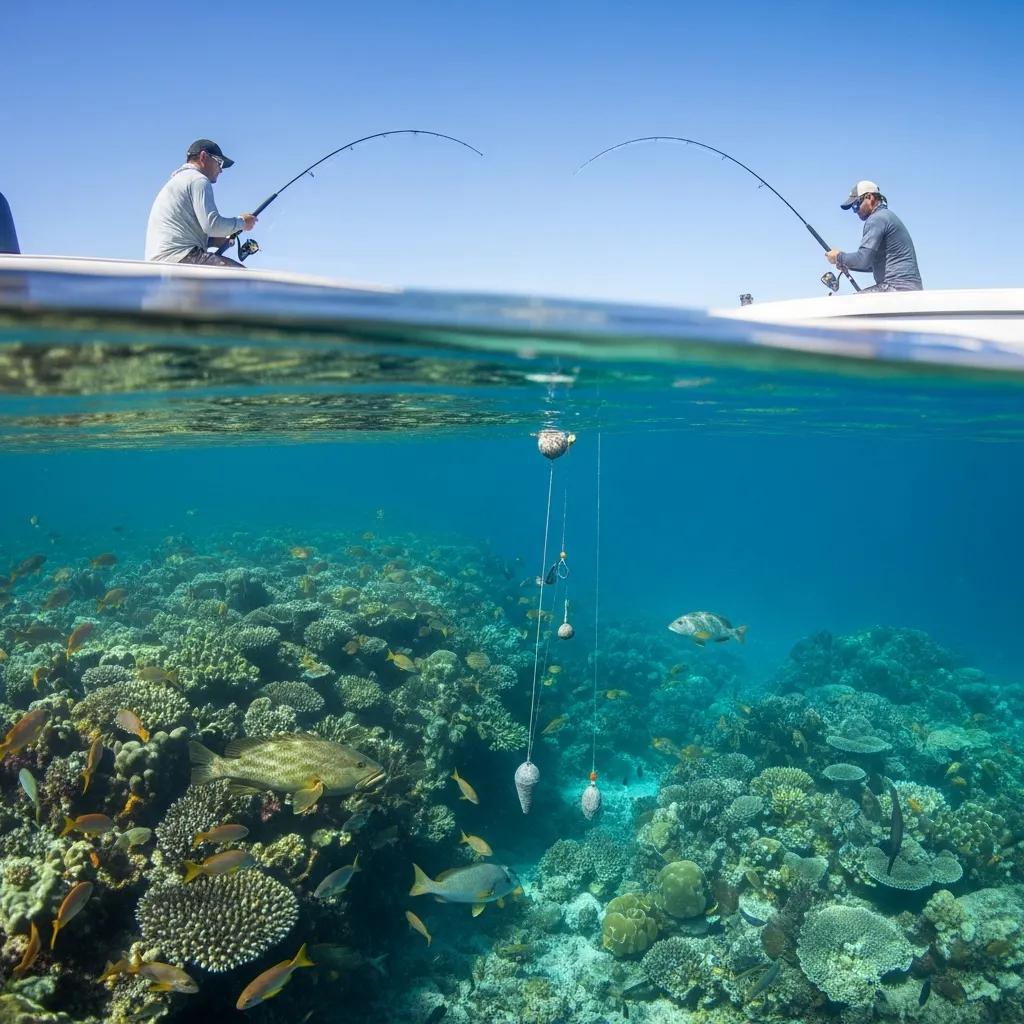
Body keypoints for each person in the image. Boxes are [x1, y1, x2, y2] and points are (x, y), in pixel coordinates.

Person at [145, 140, 257, 267]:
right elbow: (212, 226)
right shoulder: (198, 180)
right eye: (219, 163)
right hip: (180, 258)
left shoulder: (179, 181)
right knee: (244, 279)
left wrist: (214, 241)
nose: (221, 170)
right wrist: (242, 222)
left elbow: (181, 234)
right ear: (203, 156)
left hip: (161, 262)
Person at [825, 180, 922, 292]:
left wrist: (838, 257)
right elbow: (871, 265)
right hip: (910, 288)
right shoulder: (887, 216)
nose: (855, 211)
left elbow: (863, 259)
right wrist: (848, 265)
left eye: (856, 205)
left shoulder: (876, 219)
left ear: (869, 197)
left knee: (847, 304)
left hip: (895, 287)